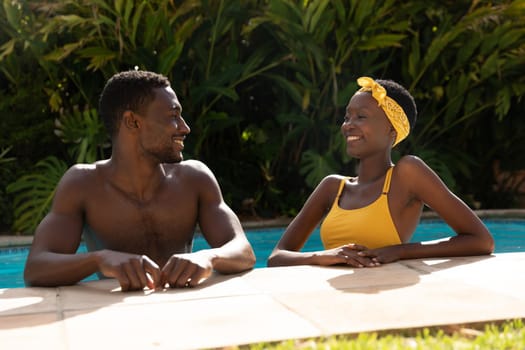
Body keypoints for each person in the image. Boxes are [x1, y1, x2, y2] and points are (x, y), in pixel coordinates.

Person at [24, 70, 256, 291]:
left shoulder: (194, 179)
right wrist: (100, 260)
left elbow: (244, 251)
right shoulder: (84, 185)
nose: (185, 128)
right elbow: (36, 268)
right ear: (132, 122)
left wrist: (209, 256)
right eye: (173, 116)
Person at [267, 76, 494, 268]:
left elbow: (481, 240)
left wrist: (399, 251)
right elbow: (276, 257)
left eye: (361, 117)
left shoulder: (407, 174)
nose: (348, 125)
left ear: (392, 131)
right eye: (347, 117)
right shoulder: (332, 187)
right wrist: (323, 256)